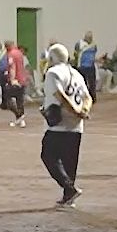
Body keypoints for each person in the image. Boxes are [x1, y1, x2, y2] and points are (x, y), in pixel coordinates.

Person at [40, 43, 93, 208]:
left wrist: (75, 111)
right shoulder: (76, 73)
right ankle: (68, 196)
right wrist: (83, 111)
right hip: (76, 126)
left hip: (59, 124)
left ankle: (69, 189)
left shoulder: (53, 73)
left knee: (48, 155)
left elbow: (60, 96)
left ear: (52, 58)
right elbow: (87, 97)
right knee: (70, 161)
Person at [3, 40, 30, 127]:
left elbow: (12, 68)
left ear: (7, 47)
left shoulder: (11, 54)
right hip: (22, 80)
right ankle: (21, 121)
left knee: (8, 100)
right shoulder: (19, 53)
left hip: (16, 80)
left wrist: (12, 80)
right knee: (20, 100)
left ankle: (19, 116)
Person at [75, 31, 99, 98]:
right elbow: (76, 54)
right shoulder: (79, 44)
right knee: (83, 83)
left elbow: (94, 54)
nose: (90, 39)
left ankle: (93, 97)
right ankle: (84, 97)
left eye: (91, 38)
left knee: (92, 83)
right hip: (82, 66)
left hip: (91, 66)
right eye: (88, 37)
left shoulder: (94, 44)